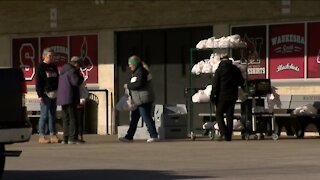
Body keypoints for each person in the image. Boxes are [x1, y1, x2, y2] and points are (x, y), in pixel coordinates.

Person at [119, 55, 159, 143]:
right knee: (134, 118)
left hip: (143, 99)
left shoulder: (141, 71)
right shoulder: (136, 71)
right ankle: (129, 136)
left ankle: (154, 135)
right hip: (138, 100)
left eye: (130, 64)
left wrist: (128, 85)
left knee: (146, 117)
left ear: (134, 64)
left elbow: (139, 83)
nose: (129, 66)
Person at [211, 54, 245, 141]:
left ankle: (223, 132)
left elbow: (215, 84)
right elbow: (241, 81)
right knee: (230, 115)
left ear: (221, 60)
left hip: (221, 96)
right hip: (232, 95)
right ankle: (228, 136)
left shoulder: (219, 70)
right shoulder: (235, 69)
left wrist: (213, 95)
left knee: (219, 114)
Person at [57, 56, 84, 144]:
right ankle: (72, 138)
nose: (79, 67)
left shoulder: (63, 70)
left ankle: (65, 138)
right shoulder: (72, 70)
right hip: (70, 97)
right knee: (73, 118)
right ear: (76, 63)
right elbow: (75, 82)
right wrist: (81, 77)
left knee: (65, 118)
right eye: (79, 65)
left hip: (62, 98)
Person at [35, 47, 60, 144]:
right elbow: (38, 82)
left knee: (52, 115)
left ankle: (53, 135)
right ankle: (41, 136)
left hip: (54, 93)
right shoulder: (40, 67)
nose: (52, 57)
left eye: (53, 56)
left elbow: (57, 79)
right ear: (44, 56)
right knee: (44, 115)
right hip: (45, 94)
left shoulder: (54, 66)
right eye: (50, 56)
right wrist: (40, 95)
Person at [76, 78, 89, 142]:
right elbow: (86, 91)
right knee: (80, 120)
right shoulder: (82, 82)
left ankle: (78, 135)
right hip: (81, 102)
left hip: (76, 103)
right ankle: (80, 136)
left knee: (77, 120)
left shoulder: (75, 82)